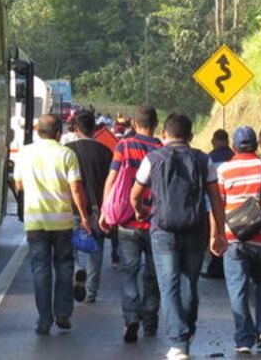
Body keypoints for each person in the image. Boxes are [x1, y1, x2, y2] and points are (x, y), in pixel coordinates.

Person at [132, 114, 227, 360]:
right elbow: (216, 199)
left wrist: (141, 211)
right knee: (189, 282)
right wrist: (218, 232)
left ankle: (178, 343)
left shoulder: (152, 158)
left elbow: (135, 194)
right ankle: (187, 331)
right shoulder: (203, 160)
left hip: (162, 230)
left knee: (169, 285)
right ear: (191, 136)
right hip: (196, 229)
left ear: (164, 134)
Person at [14, 114, 93, 335]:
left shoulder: (25, 153)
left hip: (35, 222)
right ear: (59, 133)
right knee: (64, 267)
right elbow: (76, 190)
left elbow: (18, 184)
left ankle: (43, 320)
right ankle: (63, 314)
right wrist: (84, 218)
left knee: (41, 270)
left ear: (39, 131)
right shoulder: (66, 154)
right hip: (62, 222)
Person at [217, 126, 261, 354]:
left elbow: (217, 207)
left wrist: (215, 234)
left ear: (234, 146)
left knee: (237, 288)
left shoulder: (225, 170)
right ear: (256, 145)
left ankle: (244, 339)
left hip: (233, 239)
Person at [99, 105, 163, 343]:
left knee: (129, 271)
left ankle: (131, 317)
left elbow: (112, 178)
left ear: (134, 124)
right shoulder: (161, 149)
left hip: (127, 222)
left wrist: (106, 210)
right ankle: (150, 319)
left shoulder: (124, 146)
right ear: (156, 124)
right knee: (153, 274)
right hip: (154, 221)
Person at [66, 110, 113, 303]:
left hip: (72, 208)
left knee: (70, 246)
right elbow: (111, 183)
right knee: (96, 250)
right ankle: (91, 292)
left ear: (76, 129)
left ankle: (77, 269)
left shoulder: (67, 150)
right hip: (98, 209)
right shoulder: (106, 151)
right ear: (94, 128)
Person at [203, 128, 235, 279]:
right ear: (228, 142)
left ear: (214, 142)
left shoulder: (210, 158)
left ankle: (216, 268)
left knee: (215, 235)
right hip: (234, 205)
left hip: (213, 205)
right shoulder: (234, 157)